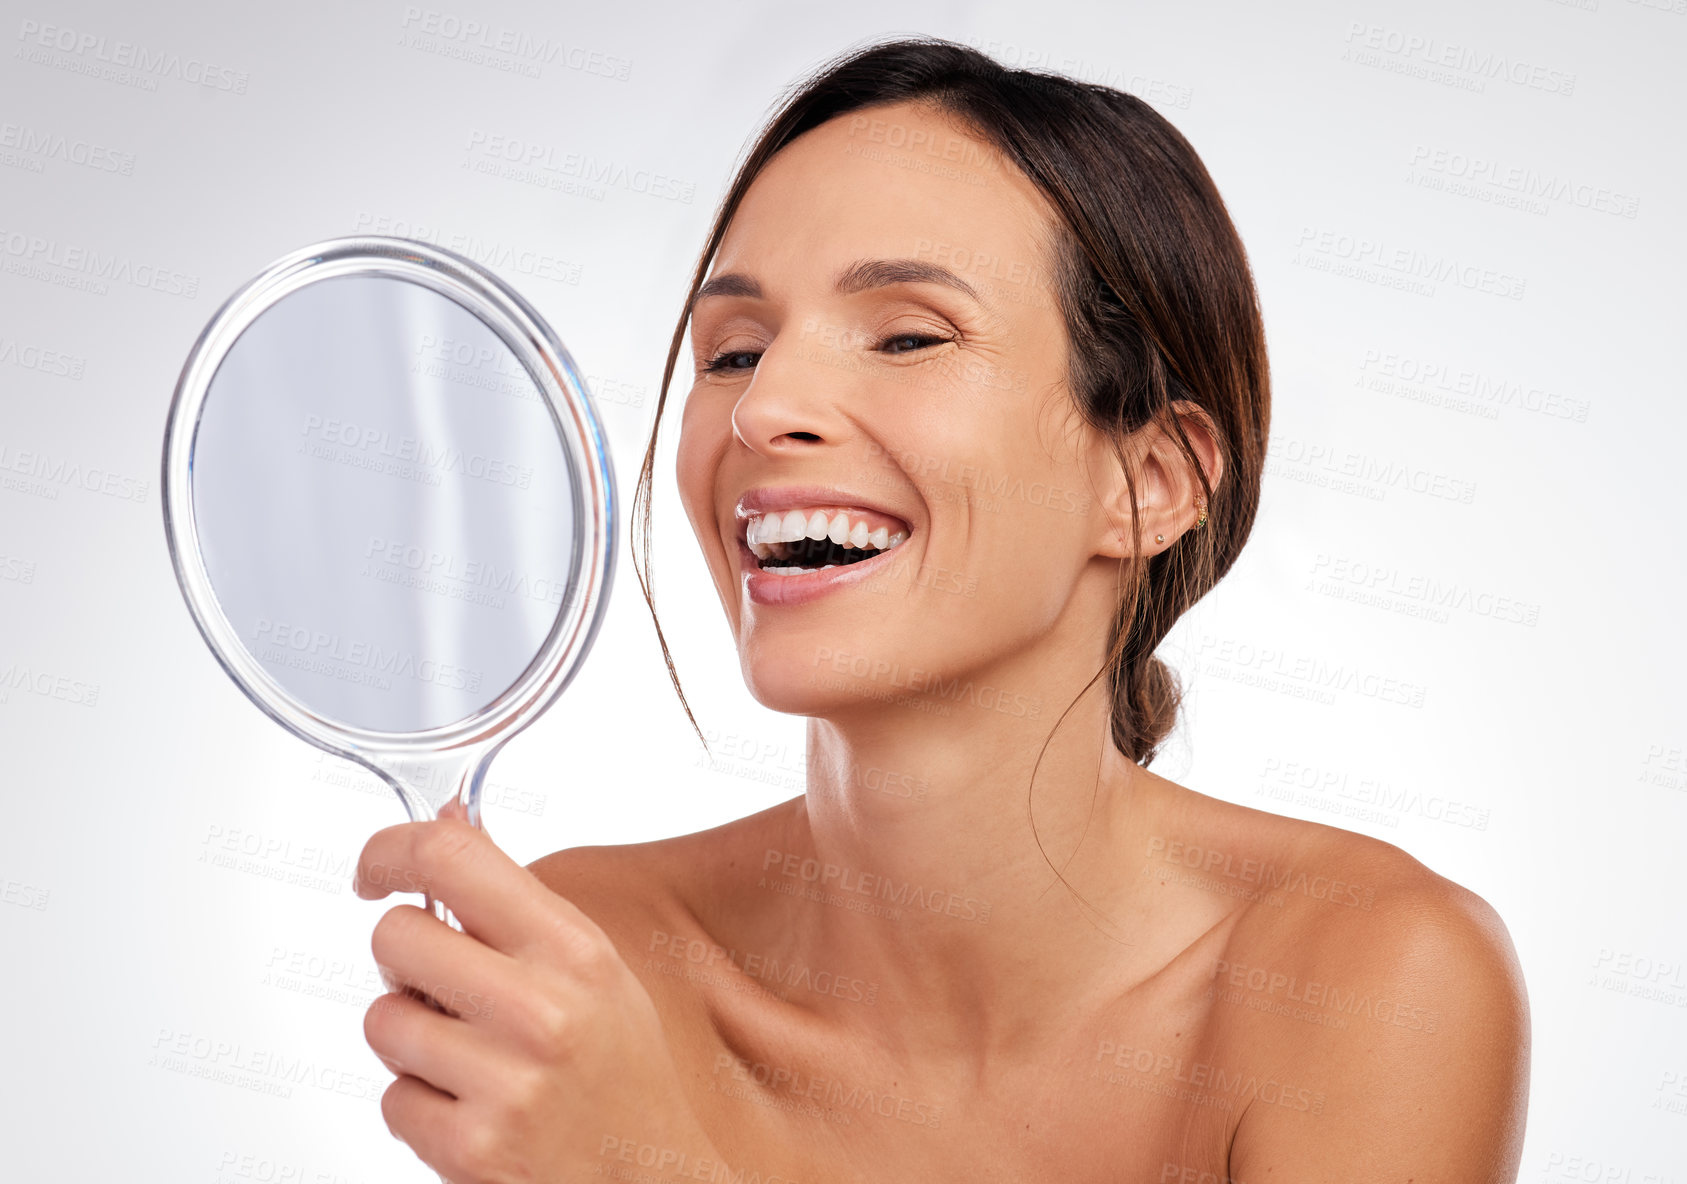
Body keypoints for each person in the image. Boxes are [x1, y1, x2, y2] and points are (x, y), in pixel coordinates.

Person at [354, 35, 1530, 1183]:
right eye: (732, 350)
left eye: (907, 334)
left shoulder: (1365, 978)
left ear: (1152, 482)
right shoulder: (593, 962)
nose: (765, 408)